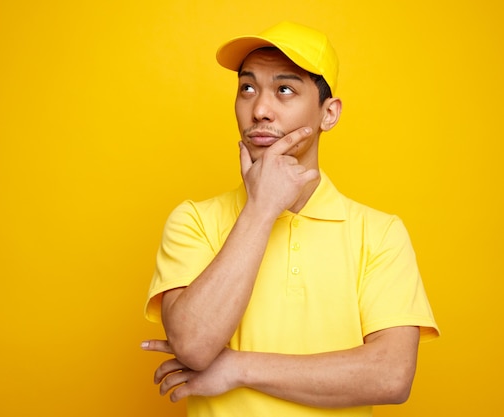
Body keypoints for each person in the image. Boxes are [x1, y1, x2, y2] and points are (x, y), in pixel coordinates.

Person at [141, 21, 439, 417]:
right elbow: (194, 346)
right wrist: (261, 209)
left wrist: (238, 367)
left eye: (285, 89)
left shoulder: (380, 234)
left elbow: (391, 375)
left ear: (328, 114)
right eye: (247, 88)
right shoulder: (193, 220)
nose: (260, 110)